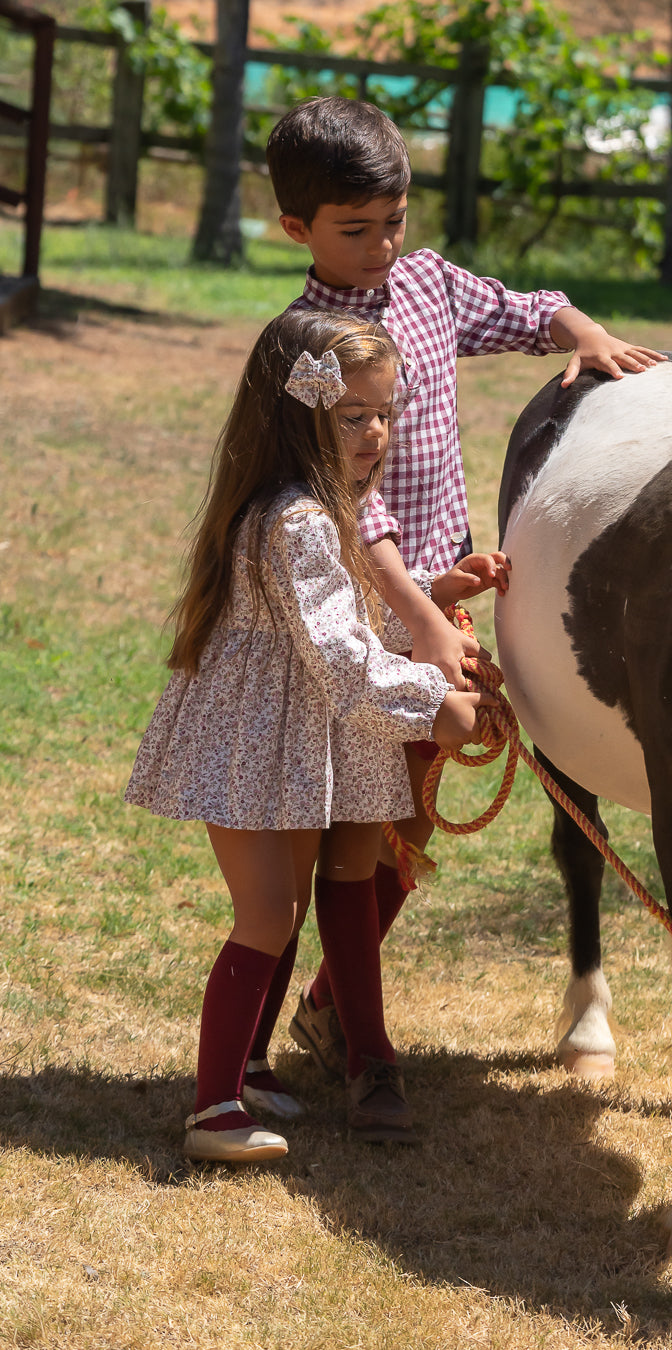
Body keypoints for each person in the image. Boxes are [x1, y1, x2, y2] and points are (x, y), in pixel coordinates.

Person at [264, 96, 666, 1093]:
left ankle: (329, 1011)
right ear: (295, 229)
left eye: (394, 221)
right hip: (355, 615)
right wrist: (421, 615)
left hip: (433, 607)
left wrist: (584, 334)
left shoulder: (430, 283)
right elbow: (342, 500)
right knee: (351, 831)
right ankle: (344, 1038)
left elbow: (528, 311)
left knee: (403, 830)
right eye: (355, 230)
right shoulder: (308, 347)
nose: (381, 247)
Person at [125, 310, 503, 1161]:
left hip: (289, 737)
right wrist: (434, 703)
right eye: (353, 416)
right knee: (266, 914)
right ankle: (214, 1111)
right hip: (263, 739)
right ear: (298, 416)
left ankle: (248, 1072)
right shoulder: (297, 519)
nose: (375, 434)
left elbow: (345, 620)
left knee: (284, 908)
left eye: (385, 413)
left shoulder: (319, 506)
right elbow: (341, 657)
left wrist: (435, 594)